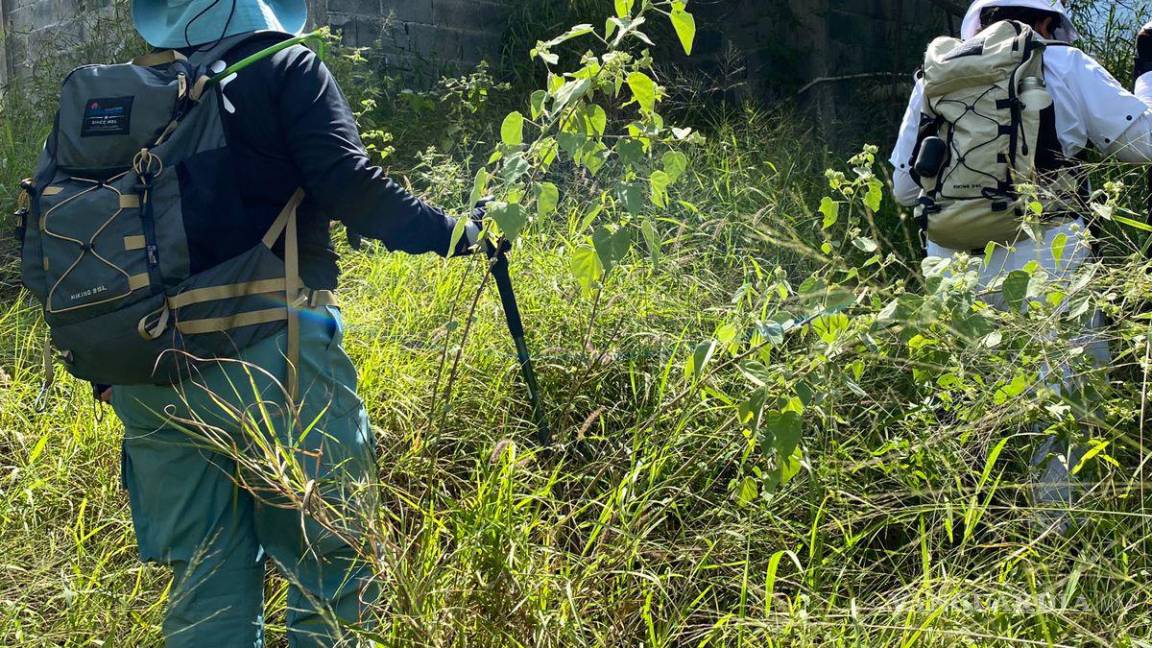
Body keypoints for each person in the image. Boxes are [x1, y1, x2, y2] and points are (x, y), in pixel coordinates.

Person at [111, 0, 481, 645]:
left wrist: (108, 366)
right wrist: (460, 234)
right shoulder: (284, 66)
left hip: (146, 370)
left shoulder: (132, 97)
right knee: (332, 564)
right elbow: (350, 186)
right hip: (273, 356)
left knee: (206, 578)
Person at [889, 0, 1152, 530]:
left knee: (969, 399)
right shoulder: (1063, 62)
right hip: (1048, 253)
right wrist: (1148, 71)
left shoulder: (936, 75)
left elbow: (903, 187)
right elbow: (1145, 143)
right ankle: (1058, 541)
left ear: (979, 21)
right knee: (1062, 403)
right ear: (1049, 22)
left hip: (951, 263)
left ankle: (963, 534)